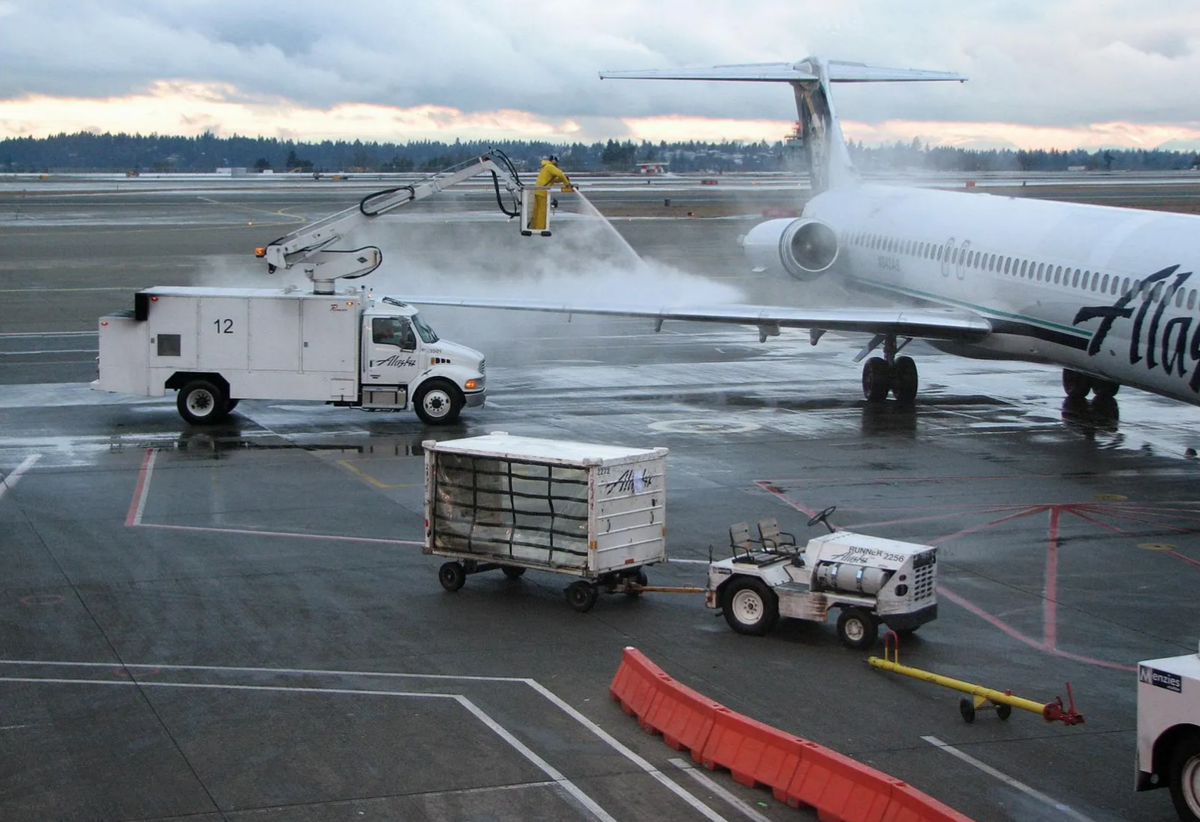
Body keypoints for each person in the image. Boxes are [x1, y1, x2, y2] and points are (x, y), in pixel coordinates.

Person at [529, 155, 573, 233]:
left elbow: (553, 180)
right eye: (556, 162)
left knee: (536, 211)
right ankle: (540, 229)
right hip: (543, 191)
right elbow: (559, 174)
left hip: (538, 190)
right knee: (542, 212)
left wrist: (563, 179)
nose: (557, 164)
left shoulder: (545, 167)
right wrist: (567, 183)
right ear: (553, 160)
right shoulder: (550, 166)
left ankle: (534, 227)